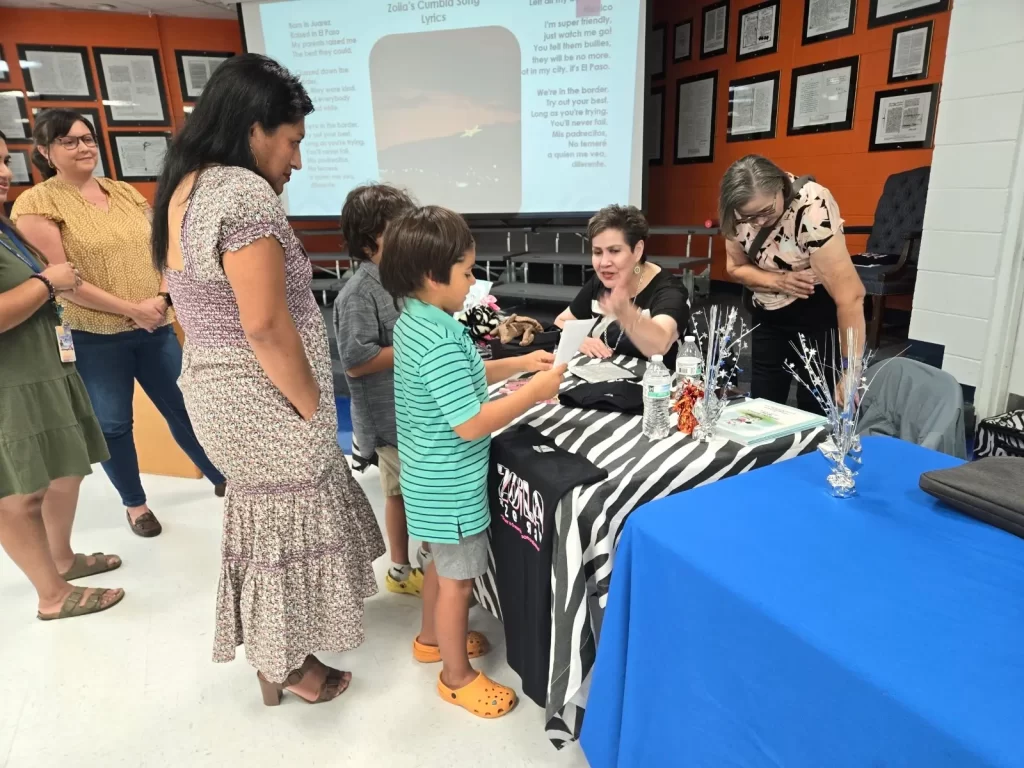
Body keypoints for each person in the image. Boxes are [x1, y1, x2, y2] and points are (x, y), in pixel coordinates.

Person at [151, 53, 384, 706]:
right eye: (292, 141)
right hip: (265, 397)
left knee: (264, 530)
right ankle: (286, 666)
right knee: (285, 531)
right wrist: (311, 401)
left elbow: (193, 303)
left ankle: (278, 657)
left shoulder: (185, 185)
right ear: (255, 127)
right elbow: (263, 325)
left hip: (218, 390)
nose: (297, 161)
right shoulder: (242, 193)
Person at [380, 204, 565, 719]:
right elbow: (471, 423)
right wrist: (533, 391)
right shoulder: (438, 336)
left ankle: (431, 638)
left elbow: (468, 376)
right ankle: (455, 676)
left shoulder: (421, 321)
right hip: (451, 485)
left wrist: (522, 363)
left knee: (441, 566)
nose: (473, 280)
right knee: (458, 581)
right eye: (466, 271)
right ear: (432, 275)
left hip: (428, 477)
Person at [12, 109, 225, 538]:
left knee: (188, 407)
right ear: (45, 152)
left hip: (155, 325)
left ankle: (223, 477)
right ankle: (135, 504)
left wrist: (162, 298)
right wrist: (131, 309)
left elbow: (163, 246)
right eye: (69, 141)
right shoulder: (36, 203)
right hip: (94, 336)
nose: (83, 147)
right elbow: (61, 280)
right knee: (112, 423)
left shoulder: (124, 192)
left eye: (88, 138)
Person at [0, 130, 124, 621]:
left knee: (65, 469)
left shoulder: (5, 225)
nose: (3, 172)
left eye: (5, 160)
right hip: (12, 384)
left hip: (46, 367)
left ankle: (63, 559)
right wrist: (48, 281)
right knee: (19, 492)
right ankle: (51, 595)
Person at [719, 155, 866, 412]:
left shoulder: (812, 207)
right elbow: (736, 267)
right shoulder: (734, 211)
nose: (758, 223)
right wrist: (780, 280)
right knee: (763, 403)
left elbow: (850, 296)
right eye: (748, 217)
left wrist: (850, 368)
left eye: (765, 212)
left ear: (780, 187)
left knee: (817, 402)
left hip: (816, 309)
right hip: (768, 310)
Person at [335, 183, 425, 597]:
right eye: (400, 229)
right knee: (402, 492)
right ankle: (403, 569)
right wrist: (416, 342)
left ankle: (407, 565)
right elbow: (355, 360)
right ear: (373, 239)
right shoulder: (358, 293)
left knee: (405, 492)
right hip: (389, 419)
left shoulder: (399, 280)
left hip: (411, 408)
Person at [554, 204, 689, 369]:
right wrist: (580, 340)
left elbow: (659, 346)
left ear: (637, 250)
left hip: (657, 387)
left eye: (615, 251)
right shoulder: (600, 282)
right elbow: (561, 321)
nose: (604, 263)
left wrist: (626, 313)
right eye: (597, 252)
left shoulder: (669, 291)